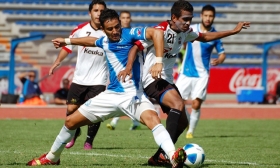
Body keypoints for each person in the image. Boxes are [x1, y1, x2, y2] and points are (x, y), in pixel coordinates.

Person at [27, 9, 186, 168]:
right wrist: (67, 41)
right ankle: (52, 157)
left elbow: (157, 34)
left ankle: (172, 156)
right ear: (103, 29)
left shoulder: (130, 33)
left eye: (117, 26)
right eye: (110, 29)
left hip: (133, 96)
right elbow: (89, 41)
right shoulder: (103, 41)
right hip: (110, 96)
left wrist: (158, 61)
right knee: (70, 121)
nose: (115, 31)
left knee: (154, 120)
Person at [126, 0, 250, 165]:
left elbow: (205, 37)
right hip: (152, 79)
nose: (188, 22)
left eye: (190, 19)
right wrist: (128, 67)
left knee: (183, 122)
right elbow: (135, 46)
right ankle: (168, 153)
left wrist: (233, 31)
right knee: (178, 103)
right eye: (184, 19)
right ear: (174, 17)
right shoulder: (160, 31)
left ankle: (158, 157)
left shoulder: (185, 32)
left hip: (167, 81)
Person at [48, 0, 108, 150]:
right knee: (71, 110)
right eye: (95, 10)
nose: (99, 13)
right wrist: (57, 61)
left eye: (101, 10)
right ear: (90, 13)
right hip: (80, 78)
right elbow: (67, 46)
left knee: (95, 112)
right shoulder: (80, 29)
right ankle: (75, 133)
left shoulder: (109, 30)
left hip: (99, 79)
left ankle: (89, 141)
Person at [176, 4, 226, 139]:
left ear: (214, 17)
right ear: (201, 16)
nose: (208, 18)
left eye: (211, 16)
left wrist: (219, 61)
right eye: (206, 15)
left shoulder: (215, 35)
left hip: (202, 74)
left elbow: (222, 54)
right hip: (186, 72)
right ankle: (187, 121)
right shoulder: (193, 29)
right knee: (177, 103)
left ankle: (190, 131)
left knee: (196, 103)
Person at [106, 10, 141, 131]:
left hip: (133, 70)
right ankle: (135, 121)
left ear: (130, 19)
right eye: (123, 18)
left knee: (129, 97)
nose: (126, 20)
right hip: (117, 70)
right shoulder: (112, 35)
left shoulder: (133, 34)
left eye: (128, 17)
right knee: (127, 97)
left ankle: (115, 121)